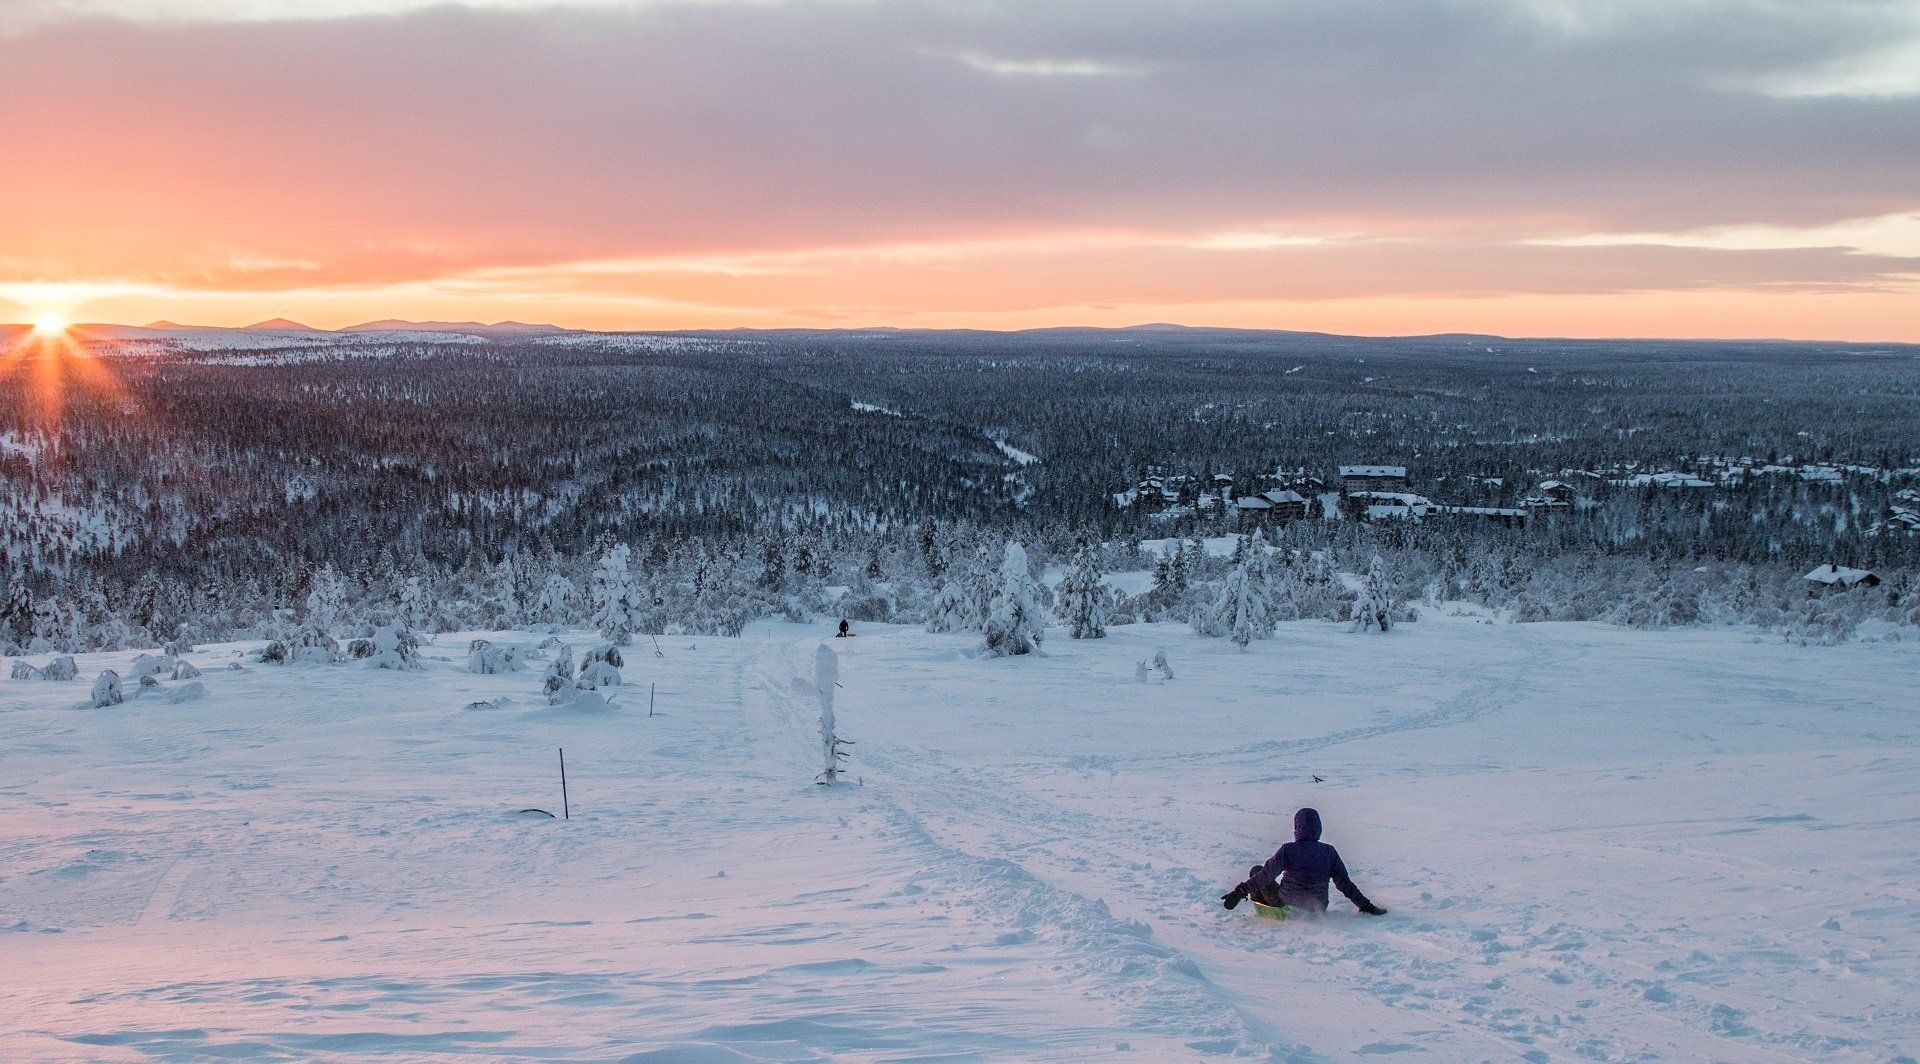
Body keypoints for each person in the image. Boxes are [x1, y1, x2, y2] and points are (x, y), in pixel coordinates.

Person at [1221, 807, 1387, 915]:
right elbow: (1344, 883)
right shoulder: (1329, 852)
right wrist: (1365, 905)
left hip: (1287, 905)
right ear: (1319, 828)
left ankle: (1264, 909)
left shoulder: (1288, 850)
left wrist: (1241, 890)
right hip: (1317, 909)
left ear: (1297, 828)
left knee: (1257, 870)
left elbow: (1265, 875)